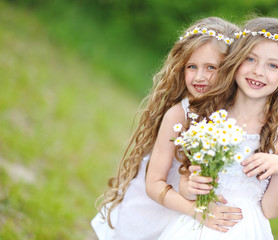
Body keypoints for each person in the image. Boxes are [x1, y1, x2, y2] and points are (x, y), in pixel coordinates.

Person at [91, 17, 241, 240]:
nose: (199, 77)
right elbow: (153, 184)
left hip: (188, 224)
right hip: (152, 212)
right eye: (192, 66)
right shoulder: (179, 115)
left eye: (211, 67)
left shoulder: (234, 117)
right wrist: (196, 211)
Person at [157, 16, 278, 240]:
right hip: (201, 225)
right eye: (251, 59)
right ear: (236, 59)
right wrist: (192, 185)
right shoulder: (210, 114)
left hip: (248, 230)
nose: (259, 72)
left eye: (272, 65)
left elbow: (271, 211)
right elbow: (186, 186)